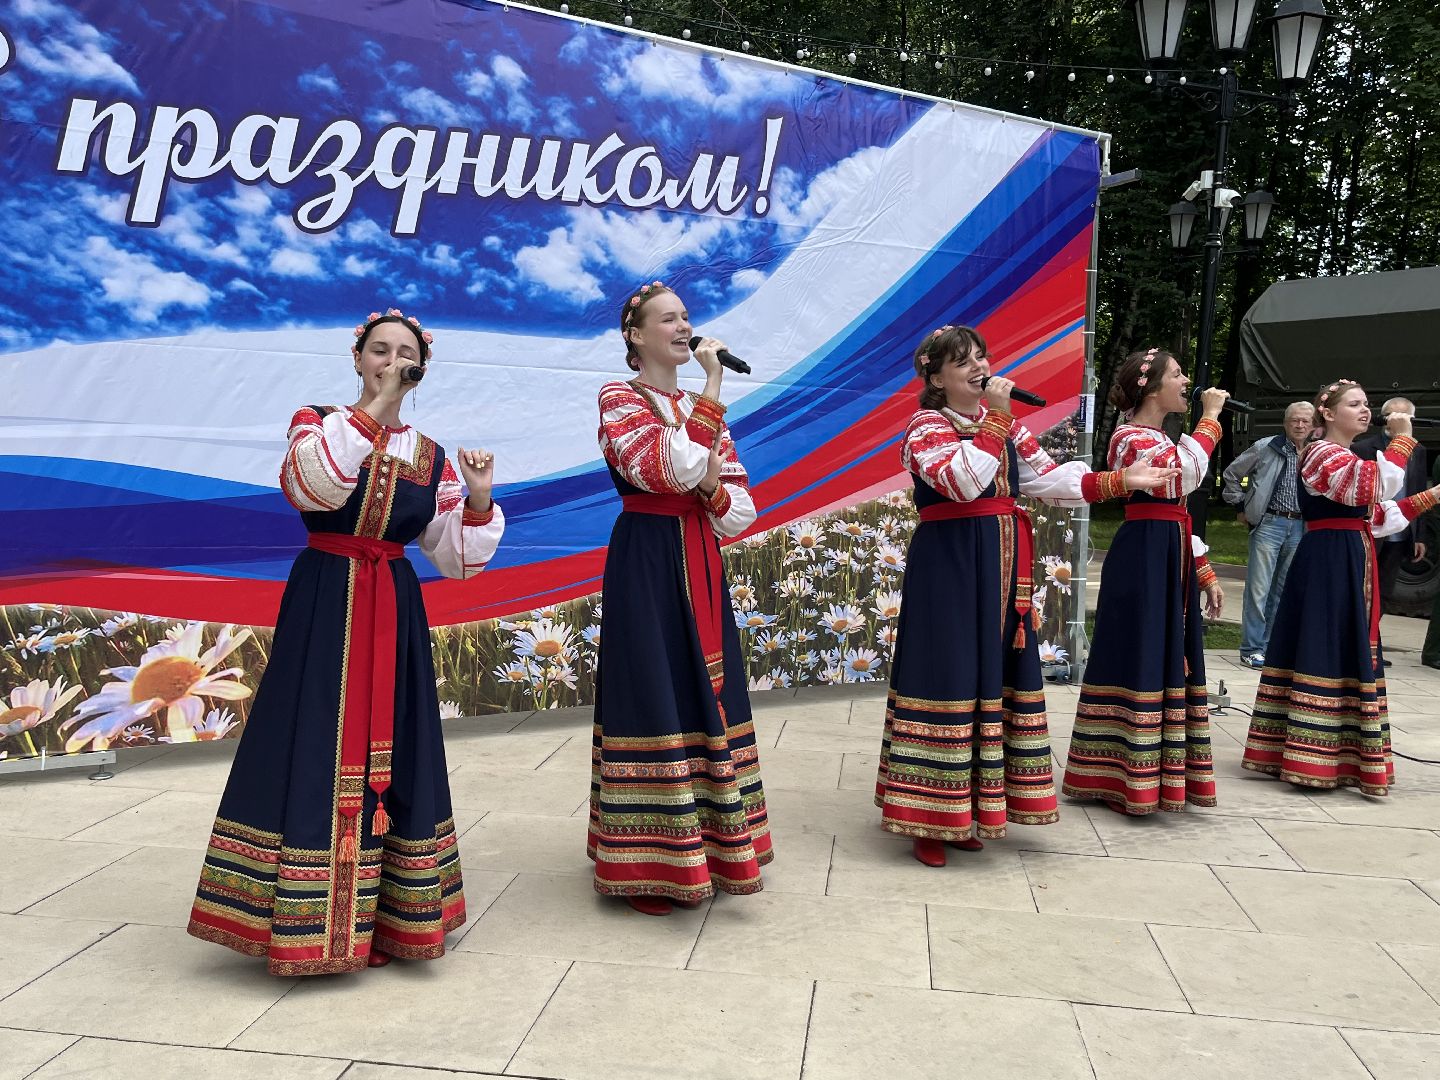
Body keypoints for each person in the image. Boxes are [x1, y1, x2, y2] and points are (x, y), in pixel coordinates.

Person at [182, 308, 504, 975]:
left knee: (393, 748)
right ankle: (303, 926)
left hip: (392, 603)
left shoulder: (432, 457)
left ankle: (392, 921)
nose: (391, 361)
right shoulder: (320, 423)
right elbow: (310, 487)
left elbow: (454, 559)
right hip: (328, 598)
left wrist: (475, 500)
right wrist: (376, 410)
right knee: (317, 738)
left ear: (422, 366)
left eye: (404, 354)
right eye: (379, 351)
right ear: (358, 359)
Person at [876, 326, 1181, 867]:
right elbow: (965, 481)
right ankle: (927, 815)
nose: (979, 365)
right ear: (936, 377)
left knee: (989, 675)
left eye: (982, 356)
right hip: (949, 569)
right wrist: (995, 419)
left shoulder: (1007, 427)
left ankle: (971, 806)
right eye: (963, 361)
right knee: (947, 671)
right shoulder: (925, 426)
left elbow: (1048, 480)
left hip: (999, 570)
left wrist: (1119, 479)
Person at [588, 281, 769, 916]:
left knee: (707, 688)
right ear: (636, 336)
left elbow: (738, 509)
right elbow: (665, 469)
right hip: (647, 554)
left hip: (697, 552)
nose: (684, 328)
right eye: (669, 319)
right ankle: (649, 860)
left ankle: (716, 843)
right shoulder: (619, 398)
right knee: (653, 688)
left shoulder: (695, 408)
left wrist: (708, 481)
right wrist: (713, 401)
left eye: (687, 317)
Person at [1242, 380, 1439, 795]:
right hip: (1328, 558)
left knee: (1347, 646)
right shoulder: (1319, 452)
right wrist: (1403, 441)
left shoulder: (1346, 456)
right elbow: (1370, 486)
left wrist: (1432, 496)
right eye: (1355, 404)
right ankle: (1312, 755)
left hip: (1351, 551)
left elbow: (1376, 515)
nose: (1366, 411)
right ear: (1328, 414)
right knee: (1325, 642)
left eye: (1367, 404)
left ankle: (1341, 751)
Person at [1061, 347, 1228, 815]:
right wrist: (1210, 417)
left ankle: (1158, 773)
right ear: (1150, 386)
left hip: (1166, 544)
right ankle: (1123, 775)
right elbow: (1185, 476)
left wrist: (1203, 570)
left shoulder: (1155, 435)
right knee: (1140, 650)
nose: (1185, 381)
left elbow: (1179, 513)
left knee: (1164, 649)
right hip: (1146, 552)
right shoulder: (1132, 437)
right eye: (1176, 374)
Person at [1221, 401, 1316, 667]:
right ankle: (1251, 648)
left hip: (1300, 526)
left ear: (1313, 425)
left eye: (1305, 421)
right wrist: (1241, 506)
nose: (1299, 425)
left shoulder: (1316, 452)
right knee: (1258, 589)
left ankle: (1270, 647)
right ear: (1285, 423)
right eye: (1294, 420)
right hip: (1269, 523)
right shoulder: (1266, 447)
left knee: (1283, 591)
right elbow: (1232, 474)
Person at [1353, 397, 1429, 617]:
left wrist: (1420, 536)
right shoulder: (1363, 448)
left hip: (1400, 531)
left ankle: (1373, 633)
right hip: (1371, 530)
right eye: (1393, 415)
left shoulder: (1418, 450)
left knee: (1385, 589)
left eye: (1404, 417)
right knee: (1362, 584)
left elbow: (1418, 491)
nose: (1398, 420)